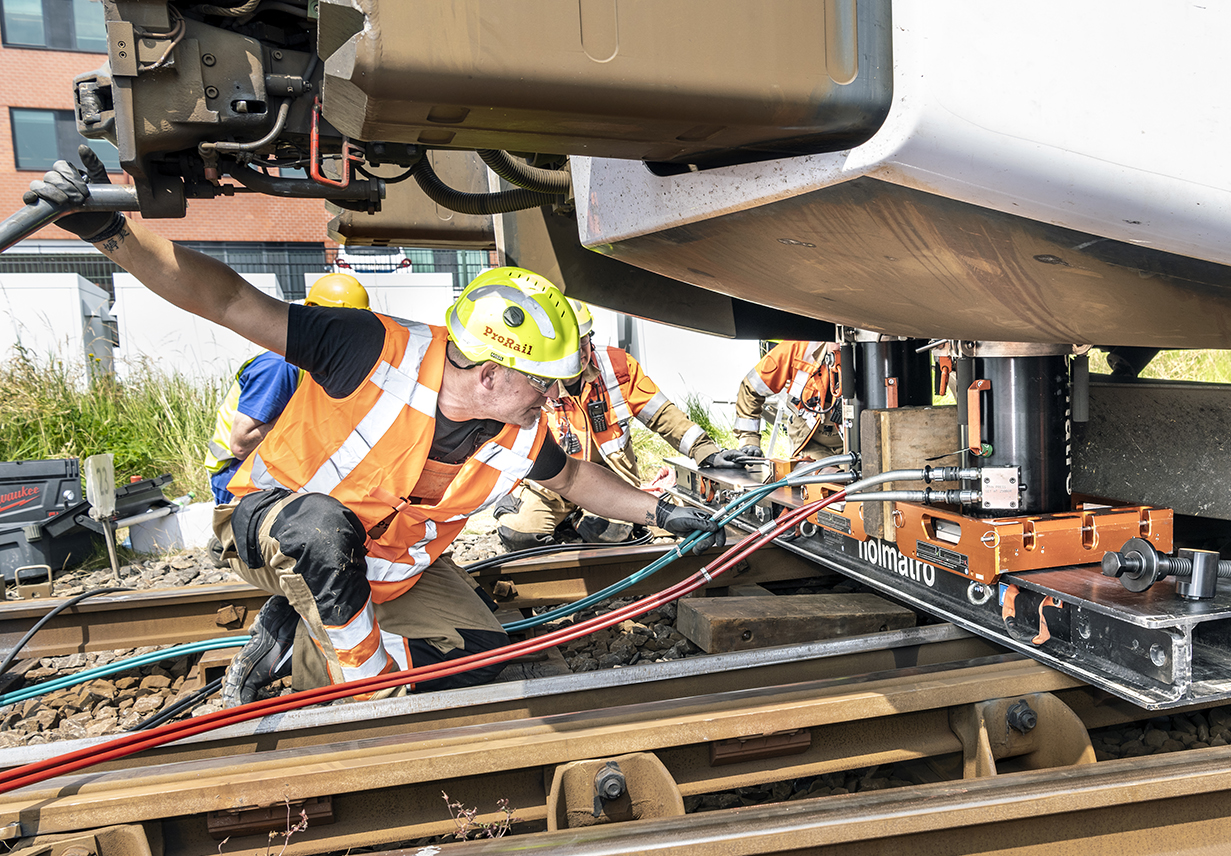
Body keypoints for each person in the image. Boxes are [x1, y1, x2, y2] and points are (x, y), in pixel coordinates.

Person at [26, 157, 721, 706]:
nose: (550, 396)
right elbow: (230, 298)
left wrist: (664, 510)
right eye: (539, 381)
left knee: (484, 660)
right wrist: (107, 231)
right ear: (487, 374)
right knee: (329, 550)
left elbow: (572, 478)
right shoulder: (364, 346)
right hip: (279, 527)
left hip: (394, 565)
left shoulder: (513, 426)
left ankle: (302, 631)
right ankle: (348, 675)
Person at [494, 298, 755, 550]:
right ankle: (568, 526)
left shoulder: (616, 366)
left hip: (610, 480)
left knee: (605, 533)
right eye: (572, 346)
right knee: (518, 531)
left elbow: (662, 415)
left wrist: (706, 451)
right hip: (553, 480)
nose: (582, 352)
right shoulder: (532, 381)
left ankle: (585, 528)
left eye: (584, 341)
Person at [203, 274, 369, 504]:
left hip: (272, 466)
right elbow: (241, 443)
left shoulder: (317, 361)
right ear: (314, 318)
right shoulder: (280, 366)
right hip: (238, 474)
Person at [733, 339, 844, 461]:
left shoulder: (868, 355)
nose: (841, 344)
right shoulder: (797, 347)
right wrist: (749, 440)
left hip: (855, 442)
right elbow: (752, 388)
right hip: (810, 441)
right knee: (823, 477)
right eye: (837, 337)